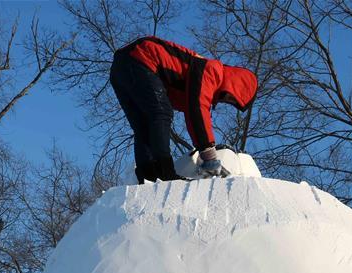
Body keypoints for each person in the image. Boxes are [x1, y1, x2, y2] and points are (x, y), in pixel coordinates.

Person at [109, 36, 258, 183]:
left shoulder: (199, 80)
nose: (226, 100)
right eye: (232, 98)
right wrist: (209, 156)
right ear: (236, 84)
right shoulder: (212, 70)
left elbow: (192, 113)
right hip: (142, 57)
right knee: (161, 113)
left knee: (143, 124)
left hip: (120, 69)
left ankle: (148, 174)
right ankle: (164, 172)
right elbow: (197, 110)